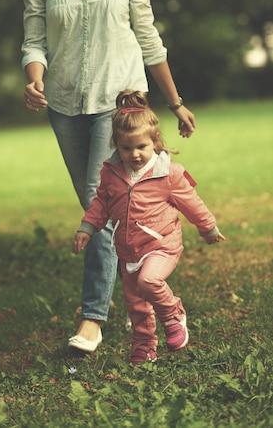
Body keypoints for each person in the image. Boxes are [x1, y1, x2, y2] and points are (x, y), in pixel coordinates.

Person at [21, 0, 196, 353]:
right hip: (63, 105)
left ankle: (92, 320)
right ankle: (151, 283)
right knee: (101, 211)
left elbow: (149, 38)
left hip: (119, 103)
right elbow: (34, 40)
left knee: (102, 205)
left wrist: (175, 102)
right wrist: (34, 79)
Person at [72, 90, 225, 364]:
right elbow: (101, 203)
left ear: (154, 142)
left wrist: (208, 227)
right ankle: (144, 346)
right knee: (136, 303)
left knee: (149, 281)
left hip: (162, 245)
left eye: (141, 147)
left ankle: (173, 314)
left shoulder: (168, 173)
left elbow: (191, 202)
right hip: (128, 250)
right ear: (116, 146)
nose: (135, 154)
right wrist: (87, 227)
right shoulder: (111, 172)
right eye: (126, 148)